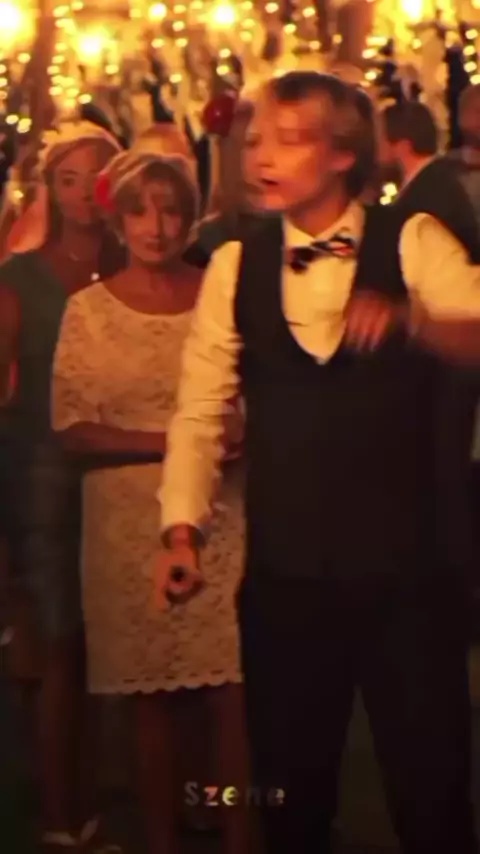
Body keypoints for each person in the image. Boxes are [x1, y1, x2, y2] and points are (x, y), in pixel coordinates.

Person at [158, 71, 480, 854]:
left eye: (289, 140)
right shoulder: (235, 264)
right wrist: (181, 528)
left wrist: (412, 321)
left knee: (432, 798)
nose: (261, 157)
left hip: (409, 578)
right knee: (290, 800)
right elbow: (199, 408)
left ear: (342, 155)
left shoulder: (412, 238)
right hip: (288, 579)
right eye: (255, 141)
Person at [51, 145, 248, 854]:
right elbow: (72, 427)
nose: (157, 228)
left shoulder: (221, 295)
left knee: (234, 694)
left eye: (170, 212)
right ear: (120, 220)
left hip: (219, 510)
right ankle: (162, 836)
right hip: (124, 522)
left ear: (191, 218)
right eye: (141, 213)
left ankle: (241, 828)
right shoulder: (88, 310)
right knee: (150, 702)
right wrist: (178, 439)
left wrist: (236, 432)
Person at [0, 123, 123, 853]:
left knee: (109, 649)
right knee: (58, 647)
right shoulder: (20, 281)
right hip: (41, 477)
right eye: (68, 179)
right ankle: (57, 816)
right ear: (50, 188)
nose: (83, 194)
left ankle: (94, 799)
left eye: (96, 179)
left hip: (119, 474)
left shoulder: (135, 263)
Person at [379, 99, 480, 612]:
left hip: (451, 373)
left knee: (449, 487)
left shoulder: (427, 203)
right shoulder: (434, 187)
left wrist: (410, 322)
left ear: (396, 143)